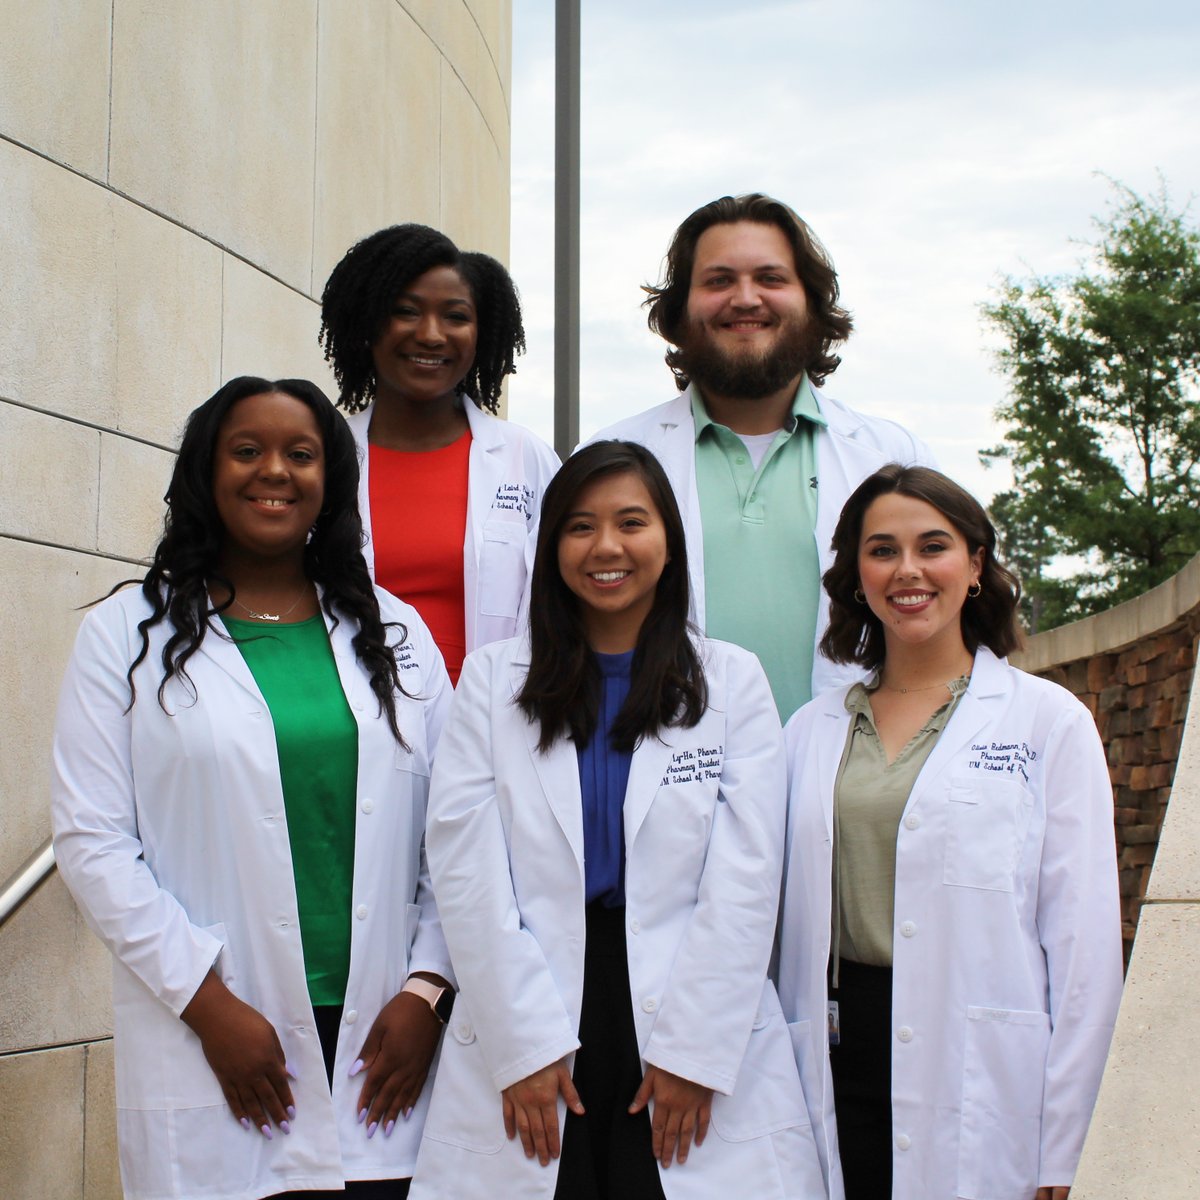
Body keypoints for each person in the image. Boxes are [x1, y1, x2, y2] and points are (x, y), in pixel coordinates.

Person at [51, 376, 455, 1199]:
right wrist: (209, 1008)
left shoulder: (398, 634)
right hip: (222, 1033)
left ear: (331, 482)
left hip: (383, 1042)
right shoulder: (123, 635)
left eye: (300, 455)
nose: (274, 471)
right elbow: (92, 844)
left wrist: (428, 991)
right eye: (247, 451)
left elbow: (455, 836)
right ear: (206, 471)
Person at [409, 441, 827, 1199]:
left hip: (690, 1004)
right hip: (532, 1001)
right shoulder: (492, 680)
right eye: (579, 526)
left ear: (668, 540)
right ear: (552, 547)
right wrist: (520, 1044)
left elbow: (748, 876)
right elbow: (466, 869)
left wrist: (698, 1050)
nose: (606, 547)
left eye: (631, 522)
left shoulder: (731, 680)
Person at [775, 464, 1123, 1200]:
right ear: (855, 575)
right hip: (834, 1054)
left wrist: (1065, 1149)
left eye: (933, 546)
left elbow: (1085, 950)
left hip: (981, 1072)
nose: (908, 570)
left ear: (975, 567)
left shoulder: (1046, 722)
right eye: (881, 550)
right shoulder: (810, 730)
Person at [586, 193, 933, 718]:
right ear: (679, 310)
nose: (745, 299)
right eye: (718, 280)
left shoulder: (891, 457)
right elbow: (554, 636)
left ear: (812, 304)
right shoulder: (609, 459)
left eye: (770, 279)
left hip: (855, 781)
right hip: (668, 778)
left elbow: (956, 626)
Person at [319, 224, 560, 684]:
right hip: (357, 721)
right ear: (367, 322)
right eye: (405, 311)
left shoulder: (524, 458)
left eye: (455, 316)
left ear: (482, 333)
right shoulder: (326, 456)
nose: (431, 335)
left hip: (490, 725)